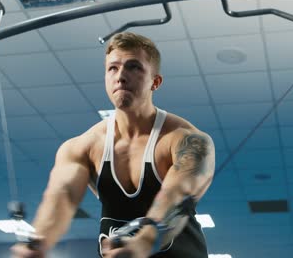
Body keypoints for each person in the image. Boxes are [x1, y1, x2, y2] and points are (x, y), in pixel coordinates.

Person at [11, 32, 215, 258]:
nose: (121, 76)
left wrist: (145, 241)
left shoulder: (188, 140)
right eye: (113, 68)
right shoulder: (83, 147)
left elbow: (179, 195)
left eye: (133, 67)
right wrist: (40, 242)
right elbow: (63, 197)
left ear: (155, 82)